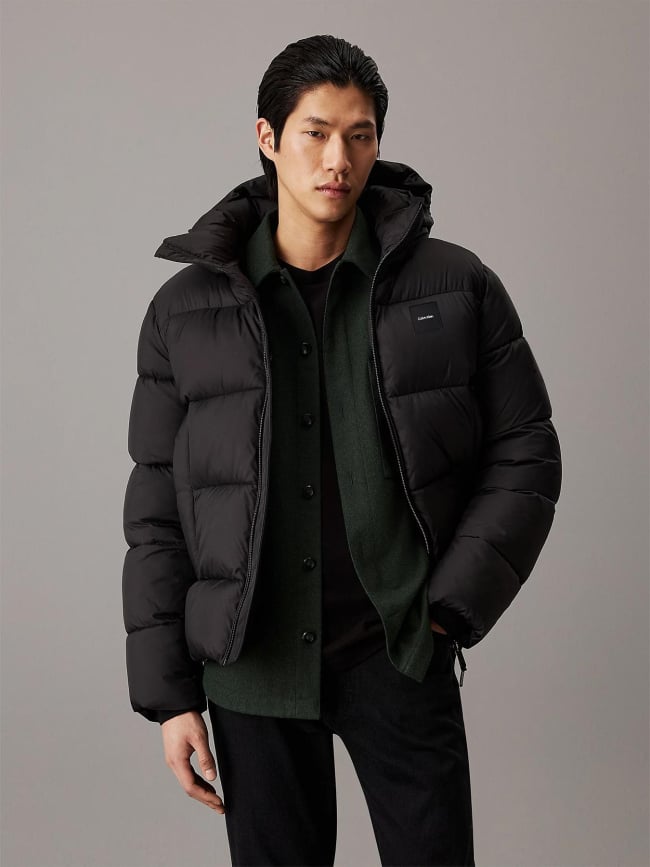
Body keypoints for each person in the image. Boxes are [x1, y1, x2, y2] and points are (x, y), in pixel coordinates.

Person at [122, 34, 562, 867]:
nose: (339, 159)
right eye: (316, 133)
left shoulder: (455, 285)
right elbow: (156, 509)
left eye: (361, 136)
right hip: (252, 666)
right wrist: (171, 696)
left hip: (398, 649)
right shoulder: (184, 312)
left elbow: (527, 450)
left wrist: (446, 608)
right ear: (267, 137)